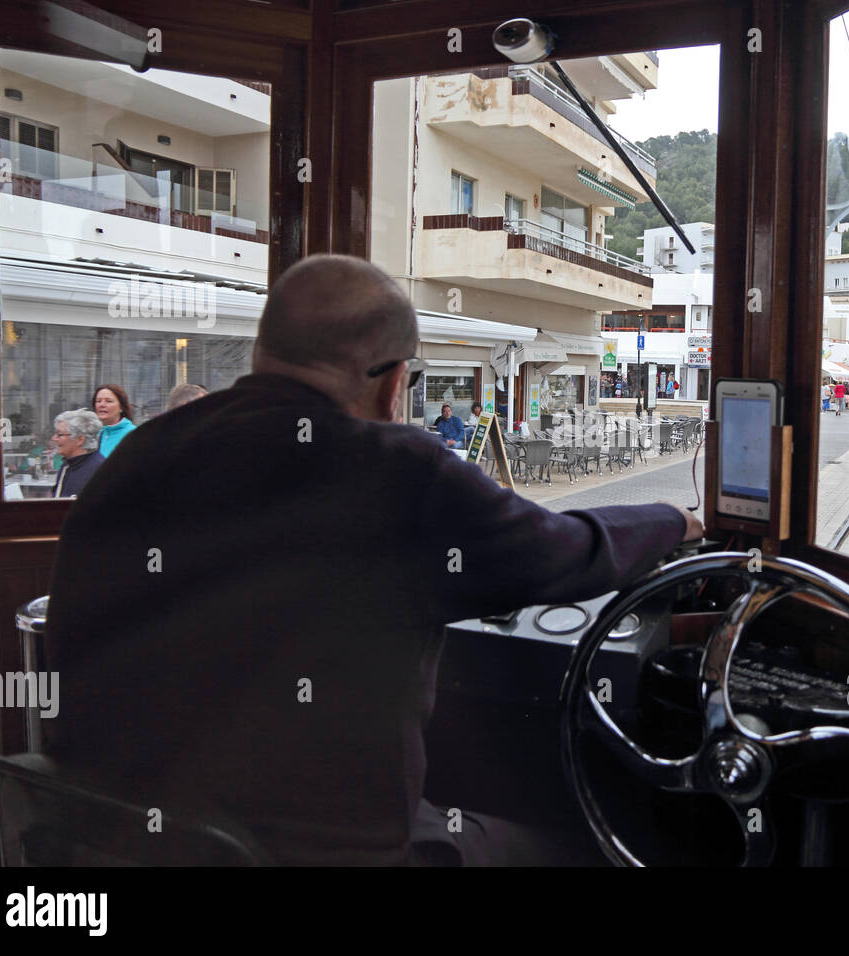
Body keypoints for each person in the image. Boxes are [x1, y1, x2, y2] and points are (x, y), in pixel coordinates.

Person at [44, 254, 702, 866]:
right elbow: (561, 552)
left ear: (261, 353)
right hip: (317, 851)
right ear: (392, 383)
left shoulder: (133, 457)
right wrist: (675, 521)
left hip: (109, 839)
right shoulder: (394, 471)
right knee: (568, 843)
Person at [49, 409, 104, 498]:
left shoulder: (99, 470)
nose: (54, 438)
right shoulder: (67, 466)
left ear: (80, 439)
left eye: (60, 435)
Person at [92, 383, 137, 457]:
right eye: (98, 401)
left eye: (109, 401)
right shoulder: (98, 434)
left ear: (121, 407)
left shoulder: (132, 435)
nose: (102, 405)